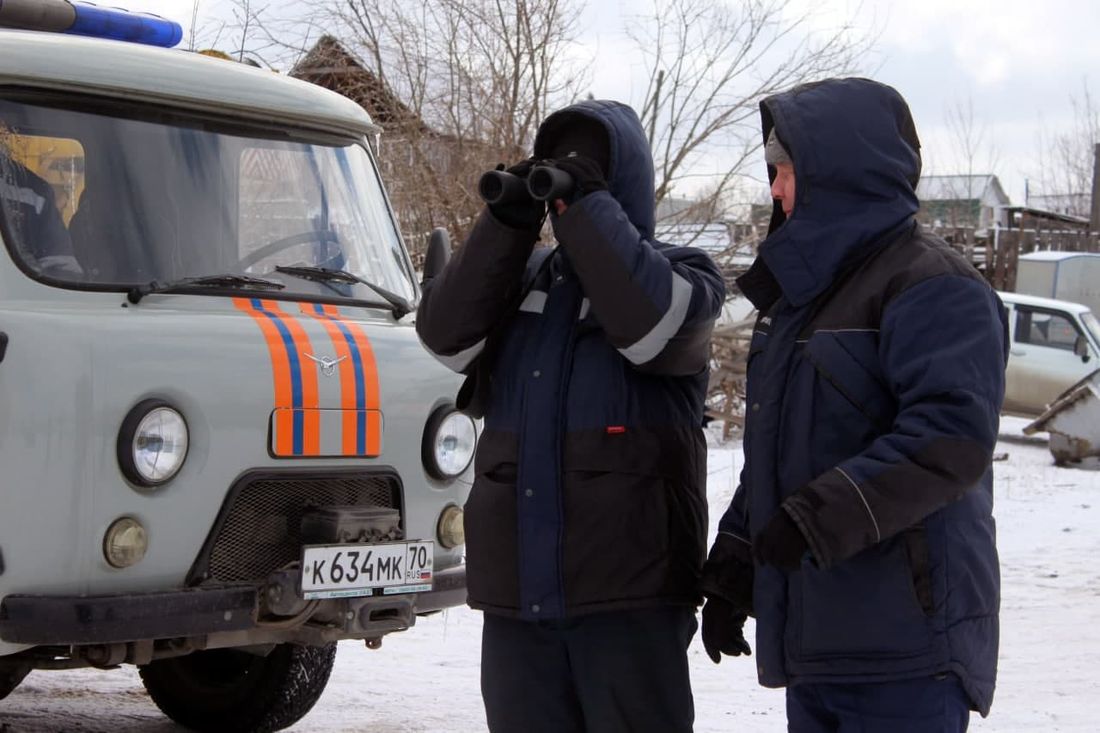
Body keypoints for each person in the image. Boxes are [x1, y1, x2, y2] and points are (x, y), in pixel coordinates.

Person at [700, 77, 1006, 732]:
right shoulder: (803, 301)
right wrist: (737, 558)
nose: (776, 190)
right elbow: (780, 450)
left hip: (907, 650)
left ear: (838, 174)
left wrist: (814, 519)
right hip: (821, 642)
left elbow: (948, 439)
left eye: (784, 171)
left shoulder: (933, 285)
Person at [416, 100, 725, 732]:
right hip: (519, 597)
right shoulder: (523, 280)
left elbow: (650, 329)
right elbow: (446, 340)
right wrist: (507, 222)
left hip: (628, 596)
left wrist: (589, 208)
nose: (564, 191)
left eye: (587, 171)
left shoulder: (687, 277)